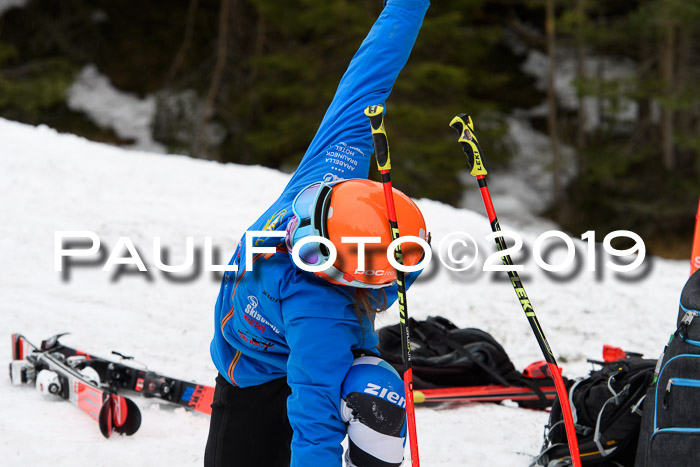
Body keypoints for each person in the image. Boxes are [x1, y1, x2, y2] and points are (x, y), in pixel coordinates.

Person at [205, 1, 431, 466]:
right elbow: (315, 426)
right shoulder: (321, 306)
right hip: (256, 376)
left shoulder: (326, 177)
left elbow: (316, 424)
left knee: (370, 393)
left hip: (299, 354)